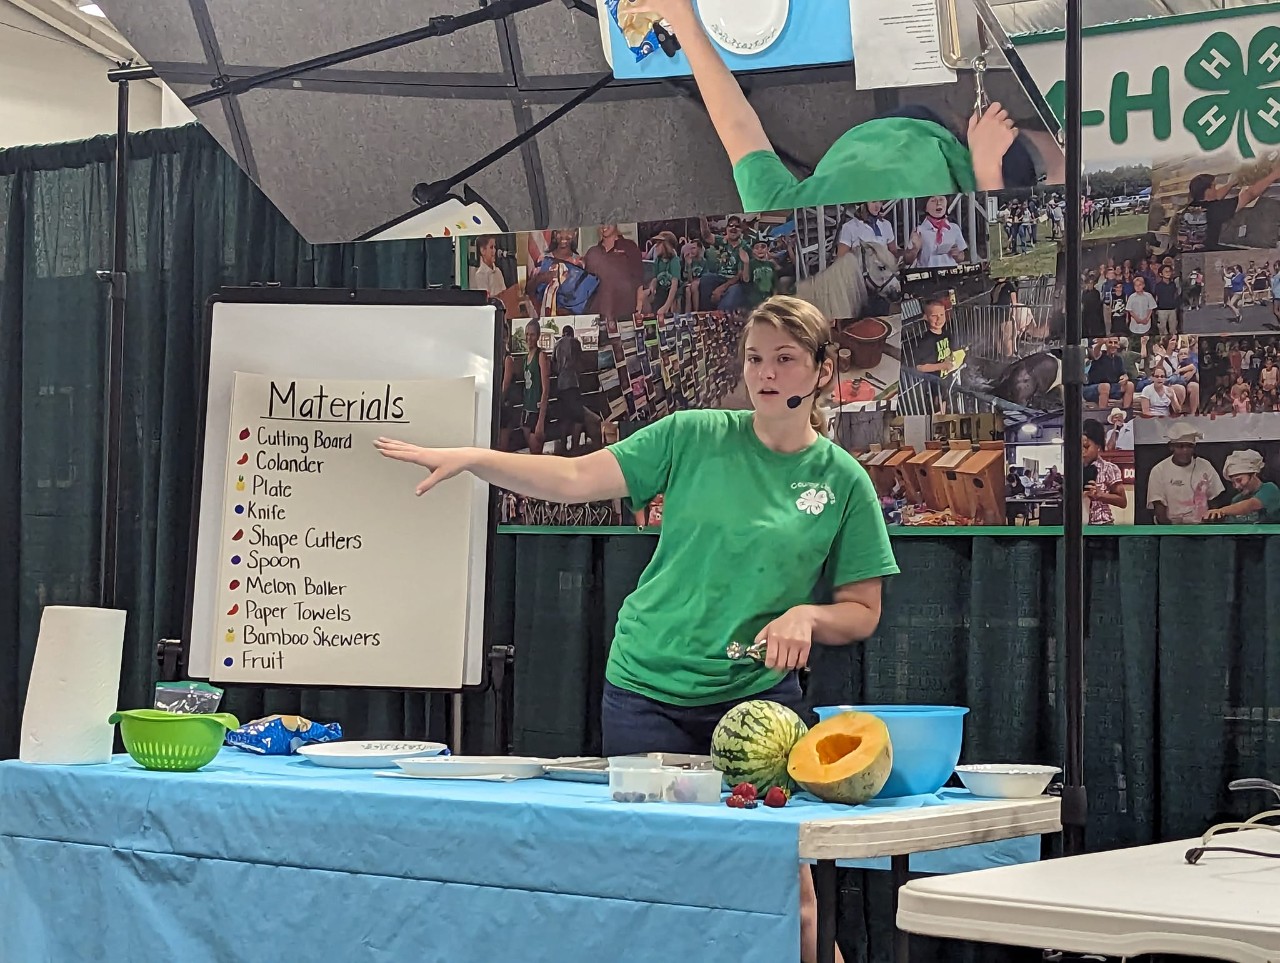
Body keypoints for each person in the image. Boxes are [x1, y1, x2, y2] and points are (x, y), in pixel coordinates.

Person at [374, 295, 899, 963]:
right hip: (647, 692)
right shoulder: (691, 435)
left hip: (758, 701)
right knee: (661, 879)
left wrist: (807, 615)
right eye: (755, 358)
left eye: (786, 359)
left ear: (822, 371)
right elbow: (572, 476)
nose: (765, 373)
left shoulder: (842, 480)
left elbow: (862, 609)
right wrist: (478, 458)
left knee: (791, 899)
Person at [632, 0, 1039, 214]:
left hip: (889, 135)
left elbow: (737, 126)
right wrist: (987, 169)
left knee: (928, 118)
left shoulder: (781, 214)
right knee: (1034, 156)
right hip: (978, 175)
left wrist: (683, 19)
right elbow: (996, 254)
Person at [1145, 421, 1223, 524]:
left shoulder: (1205, 466)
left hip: (1203, 526)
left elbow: (1214, 500)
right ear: (1171, 447)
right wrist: (1172, 531)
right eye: (1180, 446)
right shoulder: (1159, 470)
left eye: (1189, 446)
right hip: (1172, 528)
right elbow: (1159, 510)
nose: (1185, 450)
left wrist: (1210, 524)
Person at [1204, 449, 1280, 523]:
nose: (1236, 486)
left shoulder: (1270, 489)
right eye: (1233, 482)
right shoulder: (1237, 500)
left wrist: (1221, 510)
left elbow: (1251, 505)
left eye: (1239, 480)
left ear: (1254, 474)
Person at [1082, 420, 1126, 525]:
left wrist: (1100, 495)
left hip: (1102, 525)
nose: (1082, 451)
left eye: (1087, 446)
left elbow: (1123, 501)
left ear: (1098, 446)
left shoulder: (1109, 468)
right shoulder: (1072, 470)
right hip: (1076, 527)